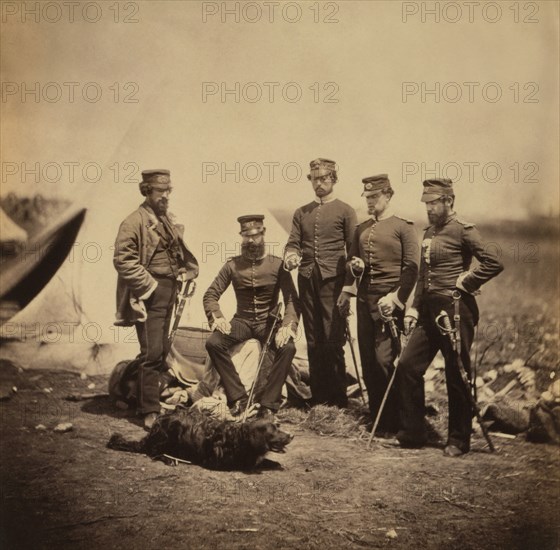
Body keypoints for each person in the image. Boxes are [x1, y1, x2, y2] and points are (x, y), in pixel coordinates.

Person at [396, 178, 503, 456]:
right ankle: (412, 432)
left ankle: (458, 439)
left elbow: (493, 262)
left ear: (449, 201)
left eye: (434, 203)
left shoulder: (464, 231)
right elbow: (423, 276)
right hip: (429, 312)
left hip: (455, 311)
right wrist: (413, 308)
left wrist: (467, 282)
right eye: (426, 204)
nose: (429, 209)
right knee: (408, 365)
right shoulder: (429, 232)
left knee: (457, 373)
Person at [113, 169, 198, 429]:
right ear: (146, 190)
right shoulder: (133, 221)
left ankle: (144, 399)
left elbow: (175, 254)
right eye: (161, 191)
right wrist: (148, 287)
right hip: (149, 293)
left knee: (162, 349)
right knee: (152, 352)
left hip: (170, 290)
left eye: (168, 190)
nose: (166, 196)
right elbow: (123, 260)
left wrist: (183, 272)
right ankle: (149, 410)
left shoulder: (165, 220)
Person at [337, 174, 419, 434]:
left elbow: (411, 270)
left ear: (388, 195)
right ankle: (378, 419)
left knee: (385, 361)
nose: (370, 201)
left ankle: (394, 419)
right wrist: (355, 271)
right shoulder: (361, 229)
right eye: (367, 197)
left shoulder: (403, 227)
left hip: (389, 304)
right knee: (368, 362)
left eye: (375, 197)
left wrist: (396, 300)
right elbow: (351, 262)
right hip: (364, 302)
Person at [203, 215, 300, 420]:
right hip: (242, 321)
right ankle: (237, 397)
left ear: (263, 234)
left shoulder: (278, 265)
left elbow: (291, 298)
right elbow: (211, 294)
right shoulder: (232, 265)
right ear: (241, 237)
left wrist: (287, 325)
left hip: (269, 322)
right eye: (246, 236)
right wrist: (217, 317)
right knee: (214, 343)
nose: (250, 241)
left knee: (288, 347)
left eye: (255, 236)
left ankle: (268, 405)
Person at [284, 158, 357, 407]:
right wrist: (291, 255)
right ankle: (318, 397)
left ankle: (338, 399)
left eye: (324, 178)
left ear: (334, 179)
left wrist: (348, 287)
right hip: (307, 279)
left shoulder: (346, 211)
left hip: (333, 281)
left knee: (333, 337)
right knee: (314, 338)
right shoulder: (301, 212)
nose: (319, 183)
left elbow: (353, 250)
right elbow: (293, 242)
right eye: (315, 178)